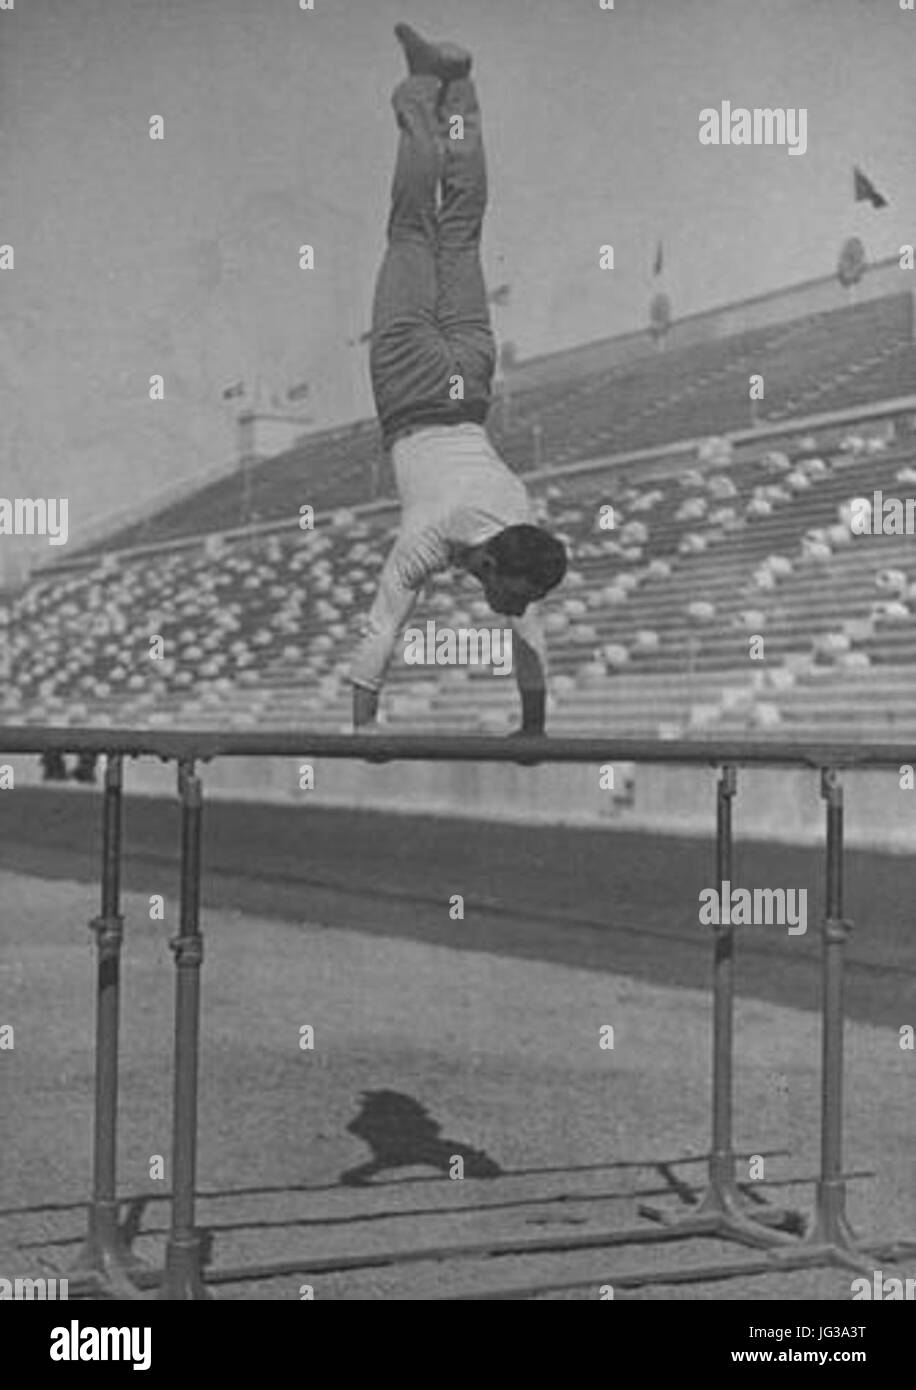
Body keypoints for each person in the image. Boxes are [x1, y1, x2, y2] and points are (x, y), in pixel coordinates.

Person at [350, 24, 567, 736]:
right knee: (415, 231)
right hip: (416, 386)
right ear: (498, 566)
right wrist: (361, 730)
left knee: (462, 228)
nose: (514, 607)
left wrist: (534, 728)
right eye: (516, 596)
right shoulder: (433, 535)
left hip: (469, 381)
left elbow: (527, 636)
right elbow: (384, 623)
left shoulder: (519, 521)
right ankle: (422, 91)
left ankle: (459, 89)